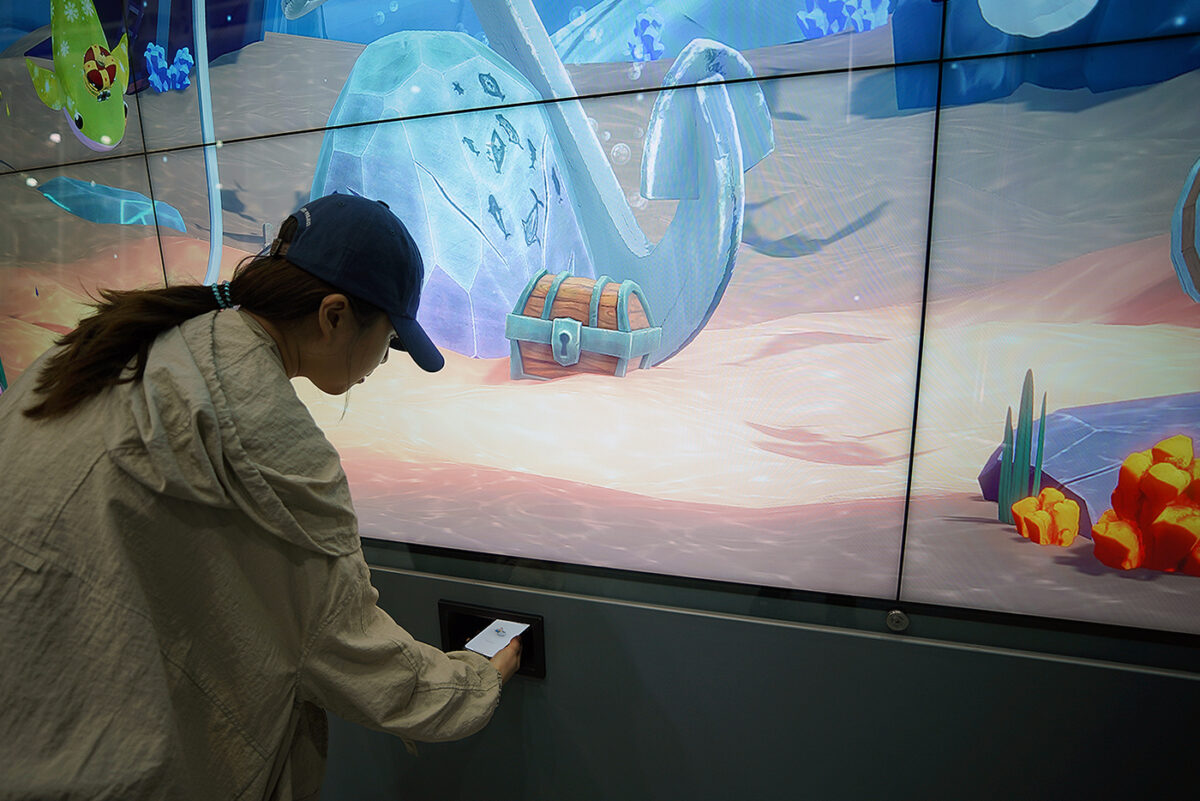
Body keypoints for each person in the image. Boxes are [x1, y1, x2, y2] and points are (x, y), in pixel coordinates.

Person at [0, 193, 521, 800]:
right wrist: (478, 681)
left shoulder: (124, 343)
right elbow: (347, 647)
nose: (383, 360)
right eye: (389, 339)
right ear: (334, 316)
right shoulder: (267, 436)